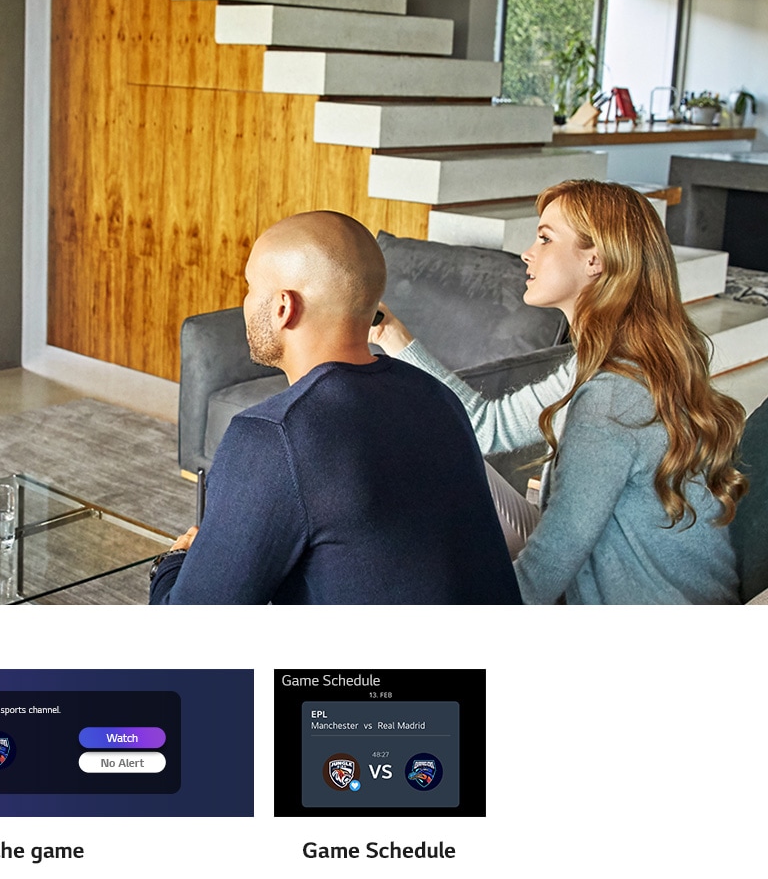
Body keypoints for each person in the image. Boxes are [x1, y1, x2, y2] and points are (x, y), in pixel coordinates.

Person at [369, 179, 746, 605]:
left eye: (546, 239)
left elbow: (546, 567)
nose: (528, 253)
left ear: (595, 261)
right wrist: (390, 334)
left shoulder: (612, 393)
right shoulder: (606, 361)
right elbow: (484, 426)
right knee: (442, 444)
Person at [149, 211, 519, 605]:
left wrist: (173, 562)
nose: (244, 301)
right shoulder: (437, 396)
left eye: (251, 287)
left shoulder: (273, 436)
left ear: (282, 308)